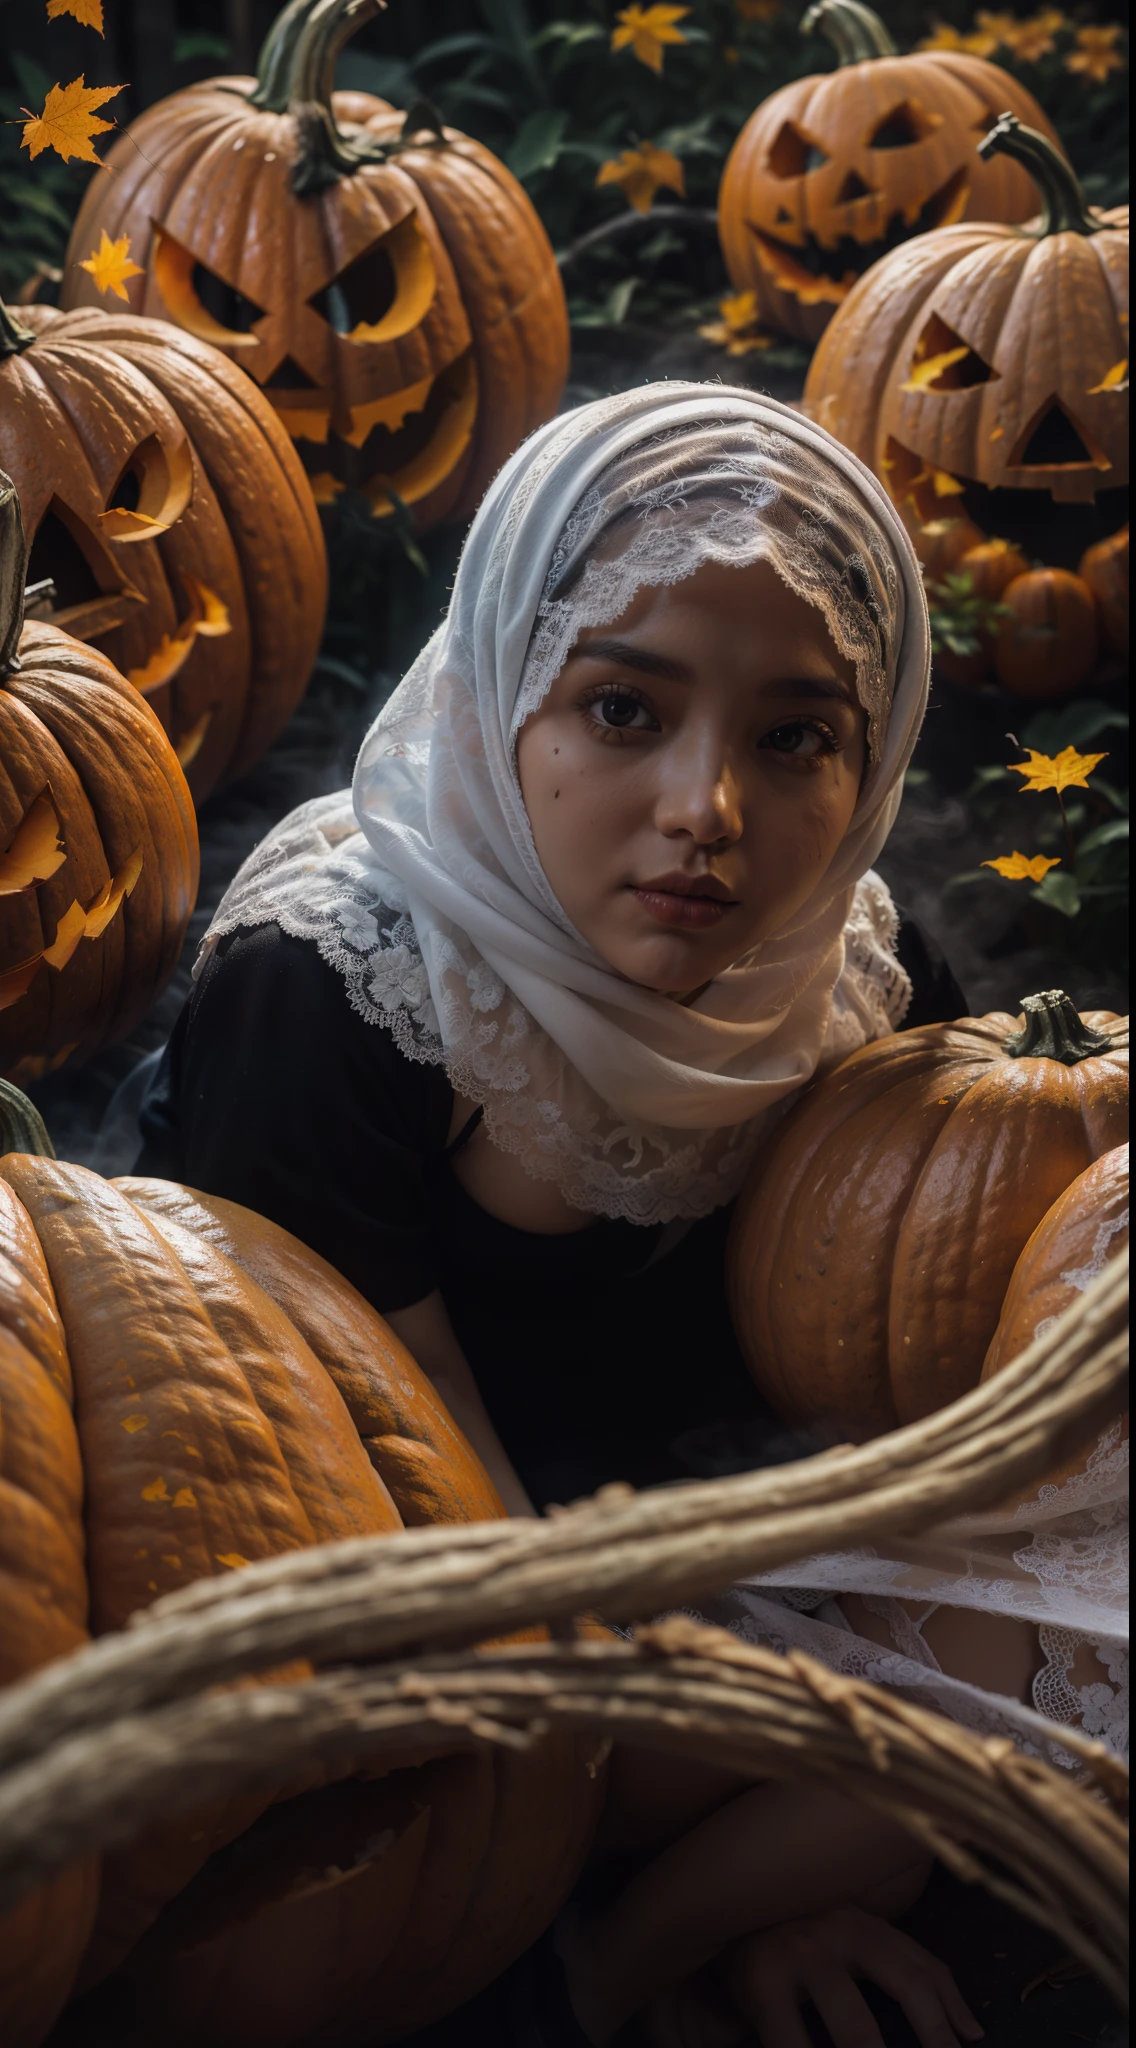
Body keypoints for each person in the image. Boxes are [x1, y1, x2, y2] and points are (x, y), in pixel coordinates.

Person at [138, 385, 1113, 2048]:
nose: (705, 808)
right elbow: (393, 1495)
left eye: (796, 737)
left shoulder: (842, 966)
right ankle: (623, 1954)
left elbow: (919, 1339)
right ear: (510, 691)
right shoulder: (343, 992)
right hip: (434, 1604)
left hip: (722, 1531)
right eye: (621, 708)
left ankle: (675, 1930)